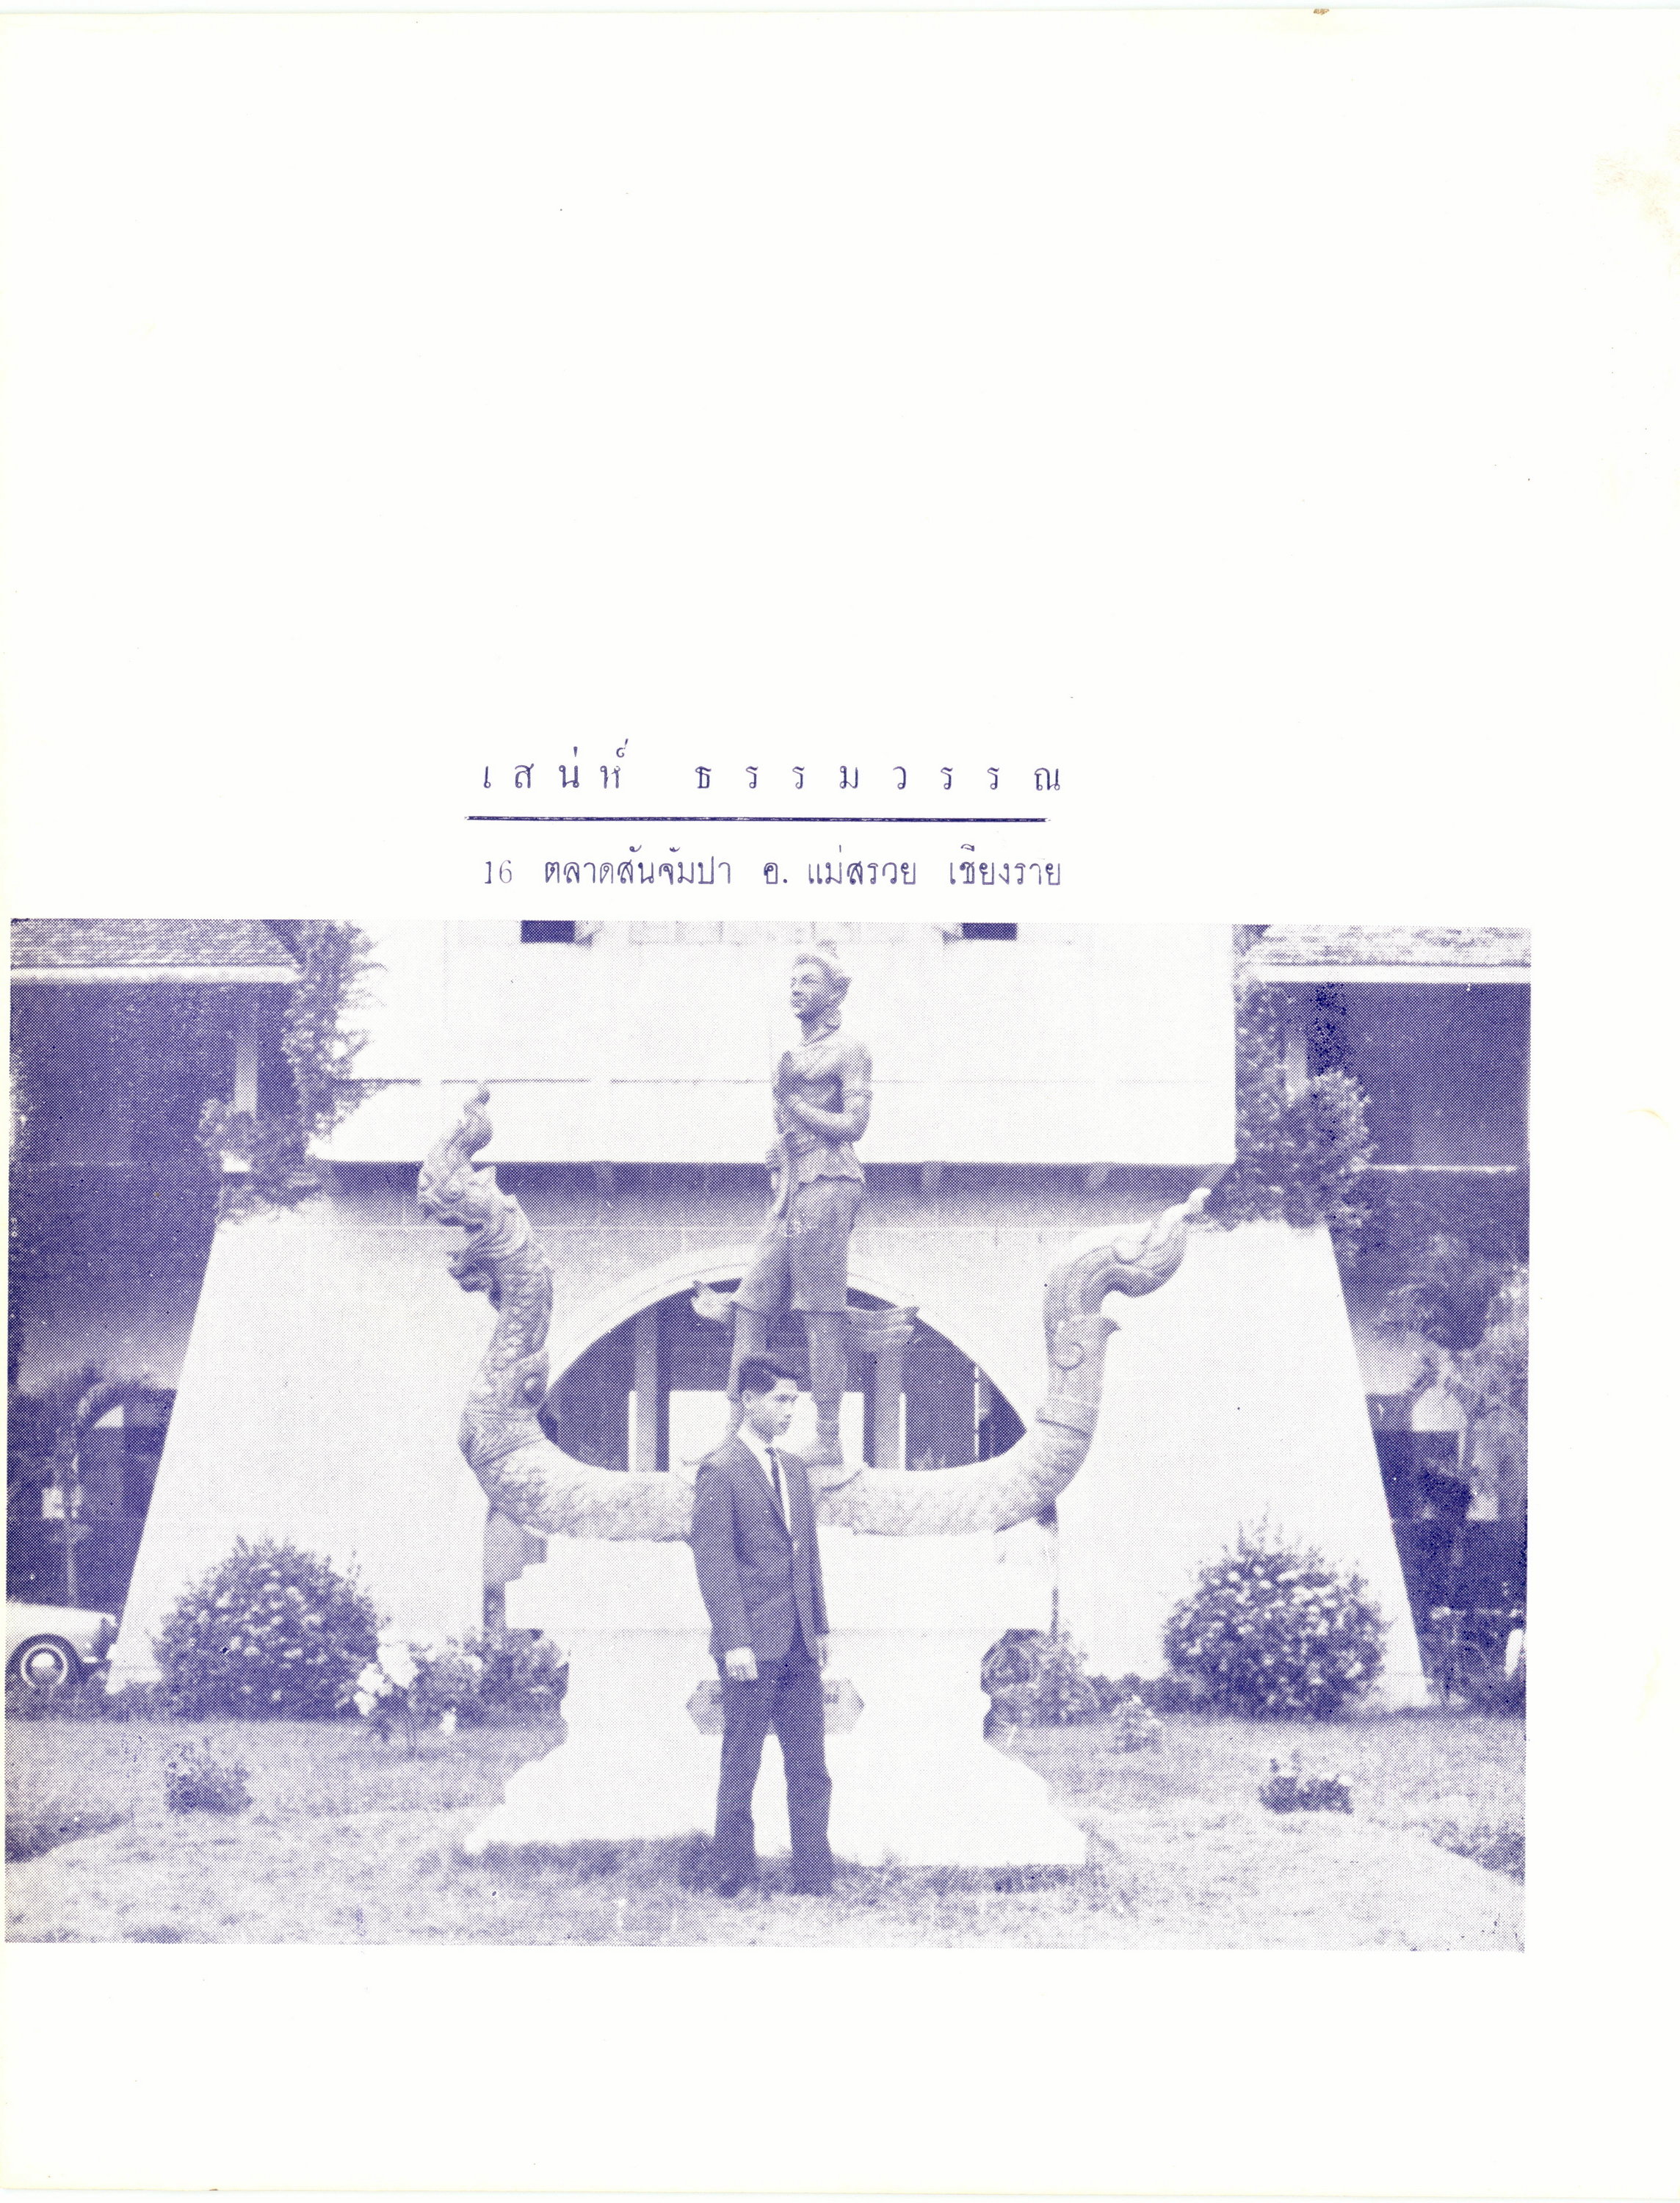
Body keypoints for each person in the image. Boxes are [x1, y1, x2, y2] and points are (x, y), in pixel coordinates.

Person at [689, 1356, 835, 1897]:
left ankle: (814, 1876)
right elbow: (715, 1562)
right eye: (780, 1400)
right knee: (742, 1762)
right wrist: (735, 1642)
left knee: (811, 1766)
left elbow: (808, 1554)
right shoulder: (720, 1470)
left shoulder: (795, 1470)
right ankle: (732, 1875)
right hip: (751, 1645)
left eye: (795, 1401)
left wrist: (820, 1627)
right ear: (749, 1401)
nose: (790, 1411)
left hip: (800, 1643)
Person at [725, 947, 872, 1470]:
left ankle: (829, 1439)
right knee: (751, 1301)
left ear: (833, 993)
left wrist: (798, 1107)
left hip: (830, 1181)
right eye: (794, 980)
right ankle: (735, 1435)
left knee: (819, 1312)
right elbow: (787, 1125)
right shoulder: (791, 1055)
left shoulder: (850, 1050)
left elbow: (855, 1125)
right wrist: (779, 1149)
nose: (797, 988)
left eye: (809, 980)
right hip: (791, 1185)